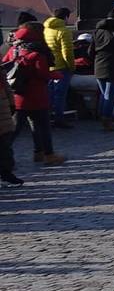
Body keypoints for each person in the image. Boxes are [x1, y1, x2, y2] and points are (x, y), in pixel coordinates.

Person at [6, 16, 60, 166]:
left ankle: (38, 153)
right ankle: (47, 154)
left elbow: (5, 65)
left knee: (14, 129)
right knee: (42, 126)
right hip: (36, 95)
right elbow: (42, 73)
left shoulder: (14, 49)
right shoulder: (37, 53)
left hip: (18, 94)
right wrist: (56, 74)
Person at [43, 8, 77, 126]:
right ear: (66, 17)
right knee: (60, 95)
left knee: (49, 93)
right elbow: (67, 52)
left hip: (48, 66)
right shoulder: (64, 31)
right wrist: (71, 67)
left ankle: (46, 118)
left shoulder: (46, 29)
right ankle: (59, 118)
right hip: (61, 67)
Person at [0, 53, 20, 185]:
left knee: (5, 144)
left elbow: (6, 85)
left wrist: (12, 103)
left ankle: (6, 173)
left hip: (3, 108)